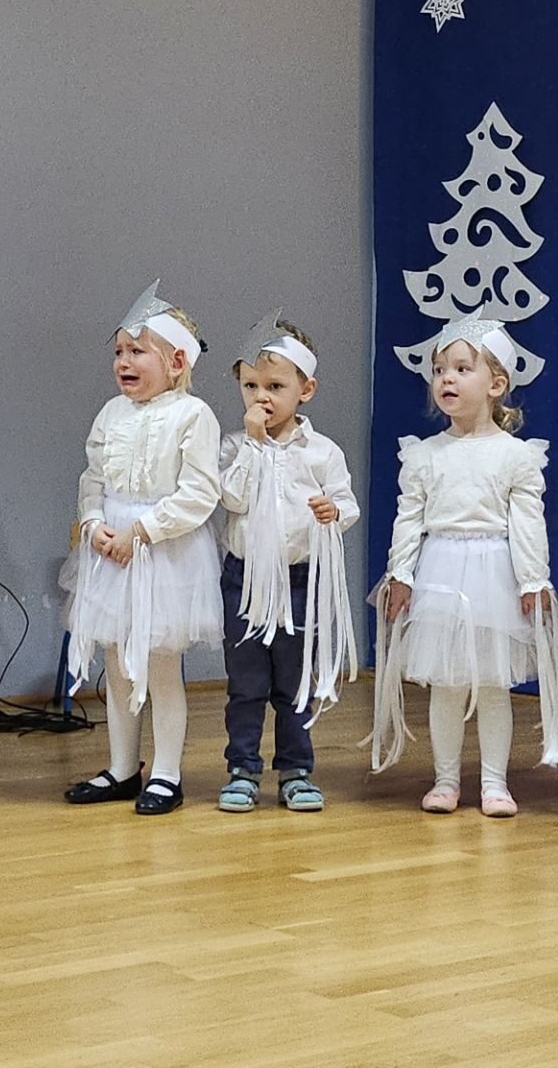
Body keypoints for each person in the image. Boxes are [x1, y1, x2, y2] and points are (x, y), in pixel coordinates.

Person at [371, 316, 558, 816]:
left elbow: (527, 525)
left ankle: (494, 783)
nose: (448, 378)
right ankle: (445, 780)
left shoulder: (516, 456)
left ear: (496, 384)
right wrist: (401, 574)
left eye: (463, 369)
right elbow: (409, 519)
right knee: (446, 684)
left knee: (491, 685)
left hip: (493, 577)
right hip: (440, 573)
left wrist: (533, 580)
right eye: (440, 369)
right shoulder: (424, 455)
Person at [63, 282, 222, 815]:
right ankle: (122, 767)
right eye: (119, 351)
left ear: (176, 362)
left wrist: (143, 530)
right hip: (112, 550)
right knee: (117, 664)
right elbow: (93, 477)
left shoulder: (193, 415)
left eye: (137, 351)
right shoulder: (111, 413)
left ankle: (167, 774)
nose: (123, 362)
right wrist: (93, 522)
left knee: (159, 667)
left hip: (162, 552)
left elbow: (199, 493)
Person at [214, 315, 357, 813]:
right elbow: (231, 498)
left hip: (300, 581)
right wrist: (254, 445)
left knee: (296, 683)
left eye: (275, 386)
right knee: (246, 683)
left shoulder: (322, 452)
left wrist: (333, 512)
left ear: (306, 389)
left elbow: (347, 504)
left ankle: (296, 769)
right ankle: (242, 769)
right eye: (250, 386)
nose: (261, 397)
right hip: (245, 580)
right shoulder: (234, 446)